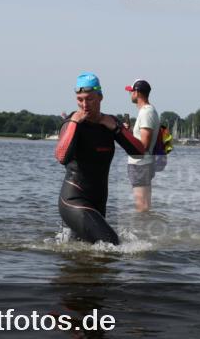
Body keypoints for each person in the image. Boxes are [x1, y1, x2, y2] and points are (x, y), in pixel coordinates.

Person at [54, 72, 145, 245]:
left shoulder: (110, 123)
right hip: (73, 201)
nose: (84, 105)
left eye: (89, 99)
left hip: (98, 203)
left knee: (84, 254)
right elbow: (61, 157)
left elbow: (139, 152)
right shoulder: (71, 124)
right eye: (80, 99)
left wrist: (117, 129)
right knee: (112, 244)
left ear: (100, 97)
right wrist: (74, 123)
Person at [124, 79, 159, 212]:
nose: (130, 94)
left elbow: (144, 145)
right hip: (142, 164)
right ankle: (145, 224)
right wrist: (128, 133)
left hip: (140, 164)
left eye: (131, 91)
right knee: (144, 205)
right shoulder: (147, 111)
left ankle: (142, 225)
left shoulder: (146, 112)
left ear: (137, 92)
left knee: (142, 206)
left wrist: (125, 137)